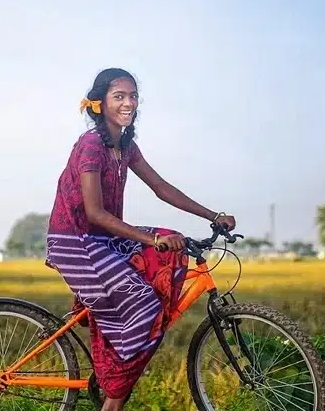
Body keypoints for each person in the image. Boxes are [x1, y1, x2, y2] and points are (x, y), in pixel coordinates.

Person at [45, 67, 236, 410]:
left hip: (103, 239)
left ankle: (112, 354)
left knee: (170, 245)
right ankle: (112, 398)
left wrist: (213, 216)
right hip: (75, 241)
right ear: (100, 104)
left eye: (133, 96)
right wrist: (149, 241)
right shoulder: (91, 145)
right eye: (119, 96)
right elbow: (94, 214)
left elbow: (161, 188)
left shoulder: (126, 146)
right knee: (144, 303)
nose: (128, 103)